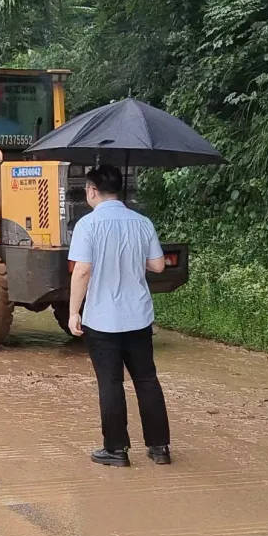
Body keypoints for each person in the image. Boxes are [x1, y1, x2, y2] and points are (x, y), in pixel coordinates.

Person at [67, 164, 171, 467]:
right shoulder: (142, 222)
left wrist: (74, 312)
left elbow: (82, 270)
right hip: (138, 316)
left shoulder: (88, 225)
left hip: (102, 320)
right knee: (147, 380)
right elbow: (159, 266)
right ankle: (159, 448)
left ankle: (116, 450)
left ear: (91, 190)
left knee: (110, 383)